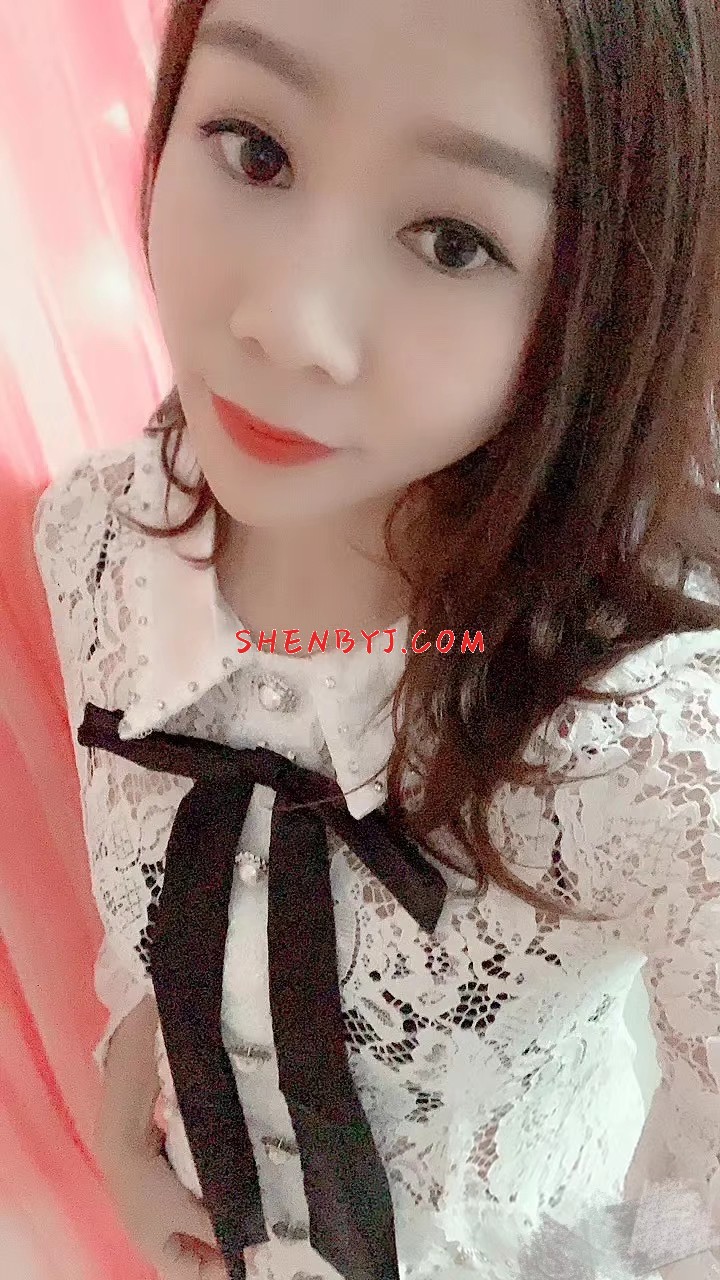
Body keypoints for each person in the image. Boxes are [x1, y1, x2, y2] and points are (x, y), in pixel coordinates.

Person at [32, 0, 720, 1276]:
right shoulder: (96, 545)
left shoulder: (639, 739)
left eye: (452, 240)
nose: (288, 321)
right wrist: (141, 1095)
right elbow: (154, 910)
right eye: (256, 149)